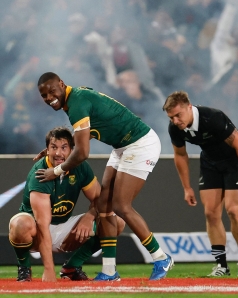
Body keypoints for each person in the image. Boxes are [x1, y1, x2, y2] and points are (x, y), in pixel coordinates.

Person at [36, 72, 173, 281]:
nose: (49, 98)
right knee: (104, 206)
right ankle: (109, 271)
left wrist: (55, 170)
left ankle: (161, 257)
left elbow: (82, 153)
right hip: (123, 146)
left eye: (52, 91)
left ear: (62, 85)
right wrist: (51, 153)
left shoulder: (77, 104)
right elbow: (77, 140)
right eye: (44, 95)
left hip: (140, 143)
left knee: (121, 206)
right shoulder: (77, 97)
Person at [8, 127, 125, 282]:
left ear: (72, 150)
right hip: (36, 231)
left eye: (64, 148)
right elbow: (43, 225)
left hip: (64, 227)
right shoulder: (40, 173)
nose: (58, 153)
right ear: (47, 150)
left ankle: (72, 267)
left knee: (116, 222)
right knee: (20, 223)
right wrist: (49, 270)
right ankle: (24, 268)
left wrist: (89, 217)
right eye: (54, 147)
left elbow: (100, 199)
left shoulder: (80, 167)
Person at [163, 91, 238, 277]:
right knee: (211, 213)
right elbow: (180, 155)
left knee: (234, 211)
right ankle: (221, 266)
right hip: (210, 163)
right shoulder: (175, 129)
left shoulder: (212, 117)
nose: (175, 121)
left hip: (232, 162)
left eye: (178, 115)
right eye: (171, 117)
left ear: (189, 107)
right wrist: (187, 187)